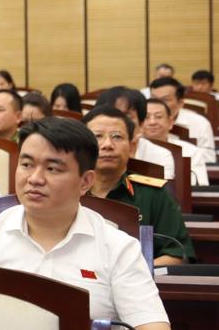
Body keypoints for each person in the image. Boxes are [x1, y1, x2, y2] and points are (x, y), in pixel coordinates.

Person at [0, 117, 174, 330]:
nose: (35, 178)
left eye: (52, 169)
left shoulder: (117, 246)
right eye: (26, 164)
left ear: (85, 181)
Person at [82, 106, 193, 265]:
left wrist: (135, 272)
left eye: (117, 137)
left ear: (132, 146)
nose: (107, 144)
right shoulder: (67, 191)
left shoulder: (153, 193)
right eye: (97, 136)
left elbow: (177, 254)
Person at [95, 87, 174, 181]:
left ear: (141, 123)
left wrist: (131, 162)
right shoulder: (86, 149)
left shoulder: (160, 155)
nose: (117, 122)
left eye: (126, 116)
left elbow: (160, 189)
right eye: (111, 116)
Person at [143, 99, 209, 186]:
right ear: (139, 123)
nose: (152, 122)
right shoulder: (131, 150)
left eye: (158, 117)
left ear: (170, 122)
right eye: (146, 117)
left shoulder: (191, 151)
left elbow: (201, 186)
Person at [150, 77, 216, 164]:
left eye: (165, 100)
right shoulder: (143, 121)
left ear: (180, 104)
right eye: (154, 99)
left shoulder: (200, 123)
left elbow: (209, 158)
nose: (157, 105)